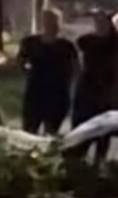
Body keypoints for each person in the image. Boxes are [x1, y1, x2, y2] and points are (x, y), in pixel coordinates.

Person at [18, 8, 78, 136]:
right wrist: (27, 71)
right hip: (35, 92)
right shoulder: (30, 43)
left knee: (51, 133)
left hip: (57, 94)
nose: (51, 25)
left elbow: (76, 67)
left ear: (59, 24)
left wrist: (70, 83)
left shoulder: (66, 46)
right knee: (29, 132)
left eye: (54, 22)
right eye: (48, 21)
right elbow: (21, 61)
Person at [72, 9, 118, 128]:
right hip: (88, 85)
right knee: (82, 124)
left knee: (103, 125)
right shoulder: (86, 40)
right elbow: (75, 57)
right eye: (97, 21)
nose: (100, 24)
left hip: (107, 86)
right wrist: (78, 74)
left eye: (103, 21)